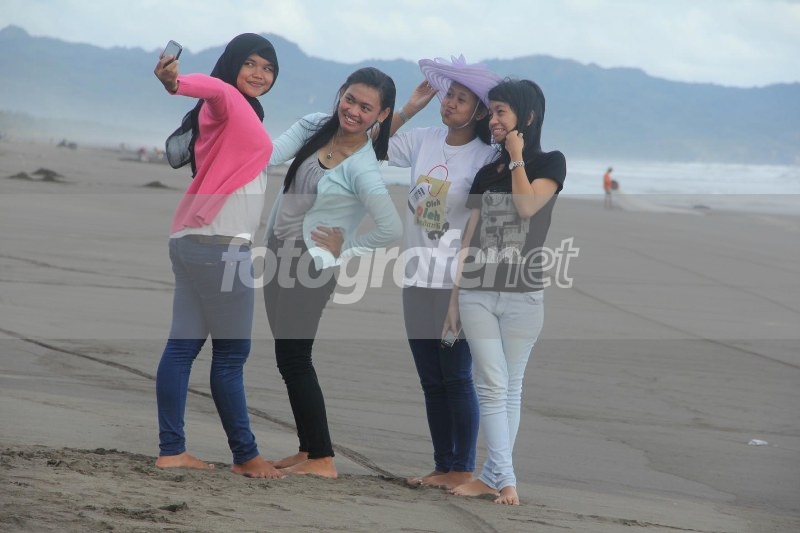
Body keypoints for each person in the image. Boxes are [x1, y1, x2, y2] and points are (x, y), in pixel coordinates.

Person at [152, 33, 283, 478]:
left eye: (268, 68)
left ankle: (172, 450)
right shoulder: (227, 99)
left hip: (190, 239)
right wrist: (173, 82)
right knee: (230, 357)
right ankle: (246, 456)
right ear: (232, 65)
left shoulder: (232, 116)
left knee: (181, 349)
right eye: (251, 63)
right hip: (222, 246)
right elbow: (211, 87)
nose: (259, 74)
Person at [262, 67, 403, 478]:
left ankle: (322, 458)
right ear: (340, 93)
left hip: (312, 266)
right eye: (350, 99)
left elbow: (391, 227)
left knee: (295, 357)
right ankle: (308, 449)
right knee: (288, 357)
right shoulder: (312, 127)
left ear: (381, 115)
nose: (353, 111)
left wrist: (348, 249)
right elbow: (269, 154)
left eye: (366, 107)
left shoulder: (362, 168)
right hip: (277, 252)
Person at [445, 79, 566, 505]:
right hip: (477, 291)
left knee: (510, 387)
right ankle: (507, 480)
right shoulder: (486, 173)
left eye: (501, 112)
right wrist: (454, 300)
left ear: (526, 117)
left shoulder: (551, 163)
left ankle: (490, 476)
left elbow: (527, 206)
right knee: (492, 383)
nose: (492, 120)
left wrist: (516, 157)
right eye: (491, 111)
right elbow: (469, 238)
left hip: (524, 295)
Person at [387, 55, 501, 489]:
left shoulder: (487, 157)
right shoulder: (423, 140)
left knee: (456, 376)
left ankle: (462, 468)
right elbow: (368, 143)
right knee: (431, 380)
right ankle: (442, 465)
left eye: (461, 98)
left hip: (457, 284)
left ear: (480, 111)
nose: (449, 103)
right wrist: (409, 108)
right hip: (416, 277)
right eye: (448, 95)